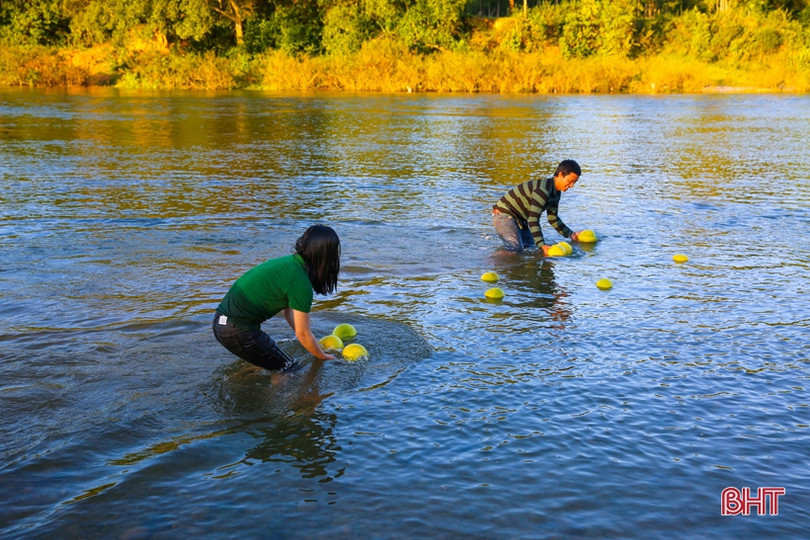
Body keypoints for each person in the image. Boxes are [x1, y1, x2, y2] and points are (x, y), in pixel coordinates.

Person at [213, 225, 340, 372]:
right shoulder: (300, 282)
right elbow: (303, 333)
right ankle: (271, 393)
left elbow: (289, 314)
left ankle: (242, 379)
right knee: (288, 368)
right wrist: (322, 356)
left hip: (222, 323)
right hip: (238, 330)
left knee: (268, 360)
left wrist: (308, 340)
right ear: (325, 256)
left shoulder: (290, 264)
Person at [492, 159, 585, 254]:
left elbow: (553, 219)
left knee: (530, 247)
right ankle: (488, 263)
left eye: (574, 182)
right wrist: (542, 245)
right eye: (570, 181)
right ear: (560, 175)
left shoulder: (556, 193)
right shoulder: (543, 191)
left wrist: (571, 234)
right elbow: (533, 219)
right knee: (514, 249)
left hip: (520, 220)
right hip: (504, 215)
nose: (572, 185)